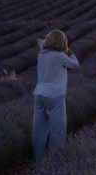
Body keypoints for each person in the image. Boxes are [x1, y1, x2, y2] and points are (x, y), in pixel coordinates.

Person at [33, 30, 79, 159]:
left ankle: (38, 159)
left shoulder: (41, 54)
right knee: (58, 129)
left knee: (39, 129)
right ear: (62, 42)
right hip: (54, 95)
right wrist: (68, 50)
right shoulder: (60, 56)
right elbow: (75, 65)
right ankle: (55, 159)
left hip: (39, 94)